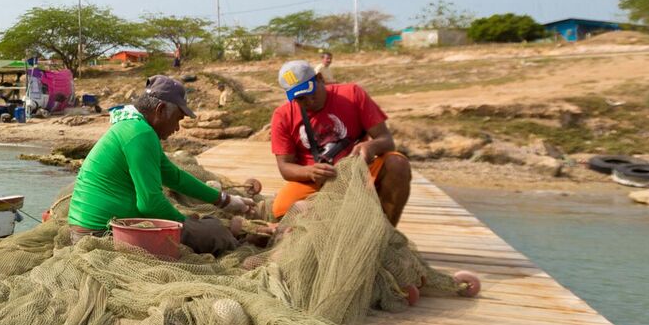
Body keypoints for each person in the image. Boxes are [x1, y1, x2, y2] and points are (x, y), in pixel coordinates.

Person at [66, 76, 237, 253]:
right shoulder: (141, 134)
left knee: (207, 223)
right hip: (102, 235)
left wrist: (224, 200)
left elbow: (175, 177)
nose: (177, 128)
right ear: (161, 110)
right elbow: (150, 204)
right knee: (215, 233)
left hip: (93, 230)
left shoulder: (134, 126)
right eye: (178, 118)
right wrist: (184, 223)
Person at [268, 58, 411, 225]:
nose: (308, 102)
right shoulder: (282, 115)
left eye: (311, 93)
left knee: (398, 164)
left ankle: (386, 229)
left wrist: (370, 146)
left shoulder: (352, 94)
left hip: (358, 174)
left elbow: (387, 140)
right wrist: (310, 172)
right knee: (282, 210)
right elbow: (285, 167)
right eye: (300, 99)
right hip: (315, 181)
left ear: (320, 79)